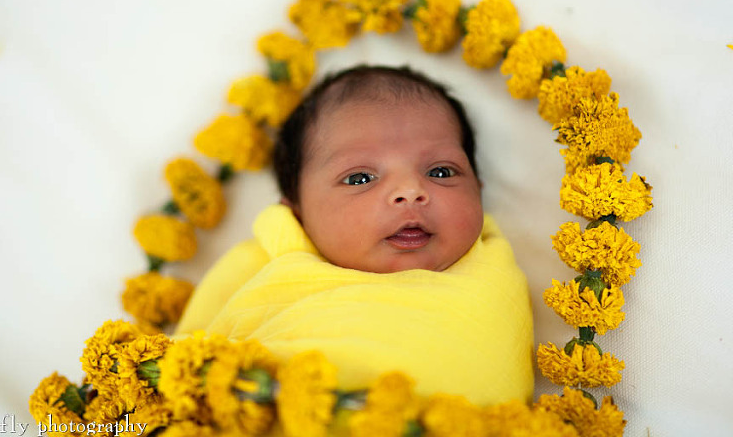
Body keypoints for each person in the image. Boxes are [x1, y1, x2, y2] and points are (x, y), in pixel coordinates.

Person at [177, 65, 534, 405]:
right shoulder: (266, 265)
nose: (410, 191)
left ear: (478, 190)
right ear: (298, 213)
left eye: (441, 172)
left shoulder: (491, 266)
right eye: (360, 178)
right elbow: (186, 364)